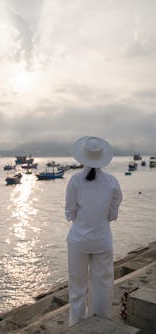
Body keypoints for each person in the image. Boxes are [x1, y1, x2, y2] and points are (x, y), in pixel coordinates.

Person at [65, 136, 123, 326]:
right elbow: (113, 214)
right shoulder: (112, 182)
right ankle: (101, 323)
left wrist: (84, 221)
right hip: (102, 240)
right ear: (102, 158)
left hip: (79, 241)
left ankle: (77, 325)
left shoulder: (75, 181)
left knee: (77, 288)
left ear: (83, 157)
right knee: (102, 285)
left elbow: (70, 212)